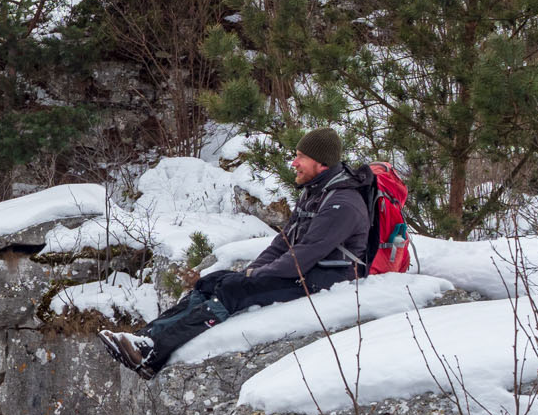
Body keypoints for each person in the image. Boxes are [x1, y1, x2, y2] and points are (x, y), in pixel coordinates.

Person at [100, 128, 372, 380]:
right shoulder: (316, 193)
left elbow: (303, 255)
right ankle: (143, 339)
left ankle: (152, 352)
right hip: (307, 272)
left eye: (301, 157)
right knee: (212, 281)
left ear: (321, 162)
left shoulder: (342, 203)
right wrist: (250, 271)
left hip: (326, 280)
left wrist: (254, 276)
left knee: (233, 291)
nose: (294, 162)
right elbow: (284, 243)